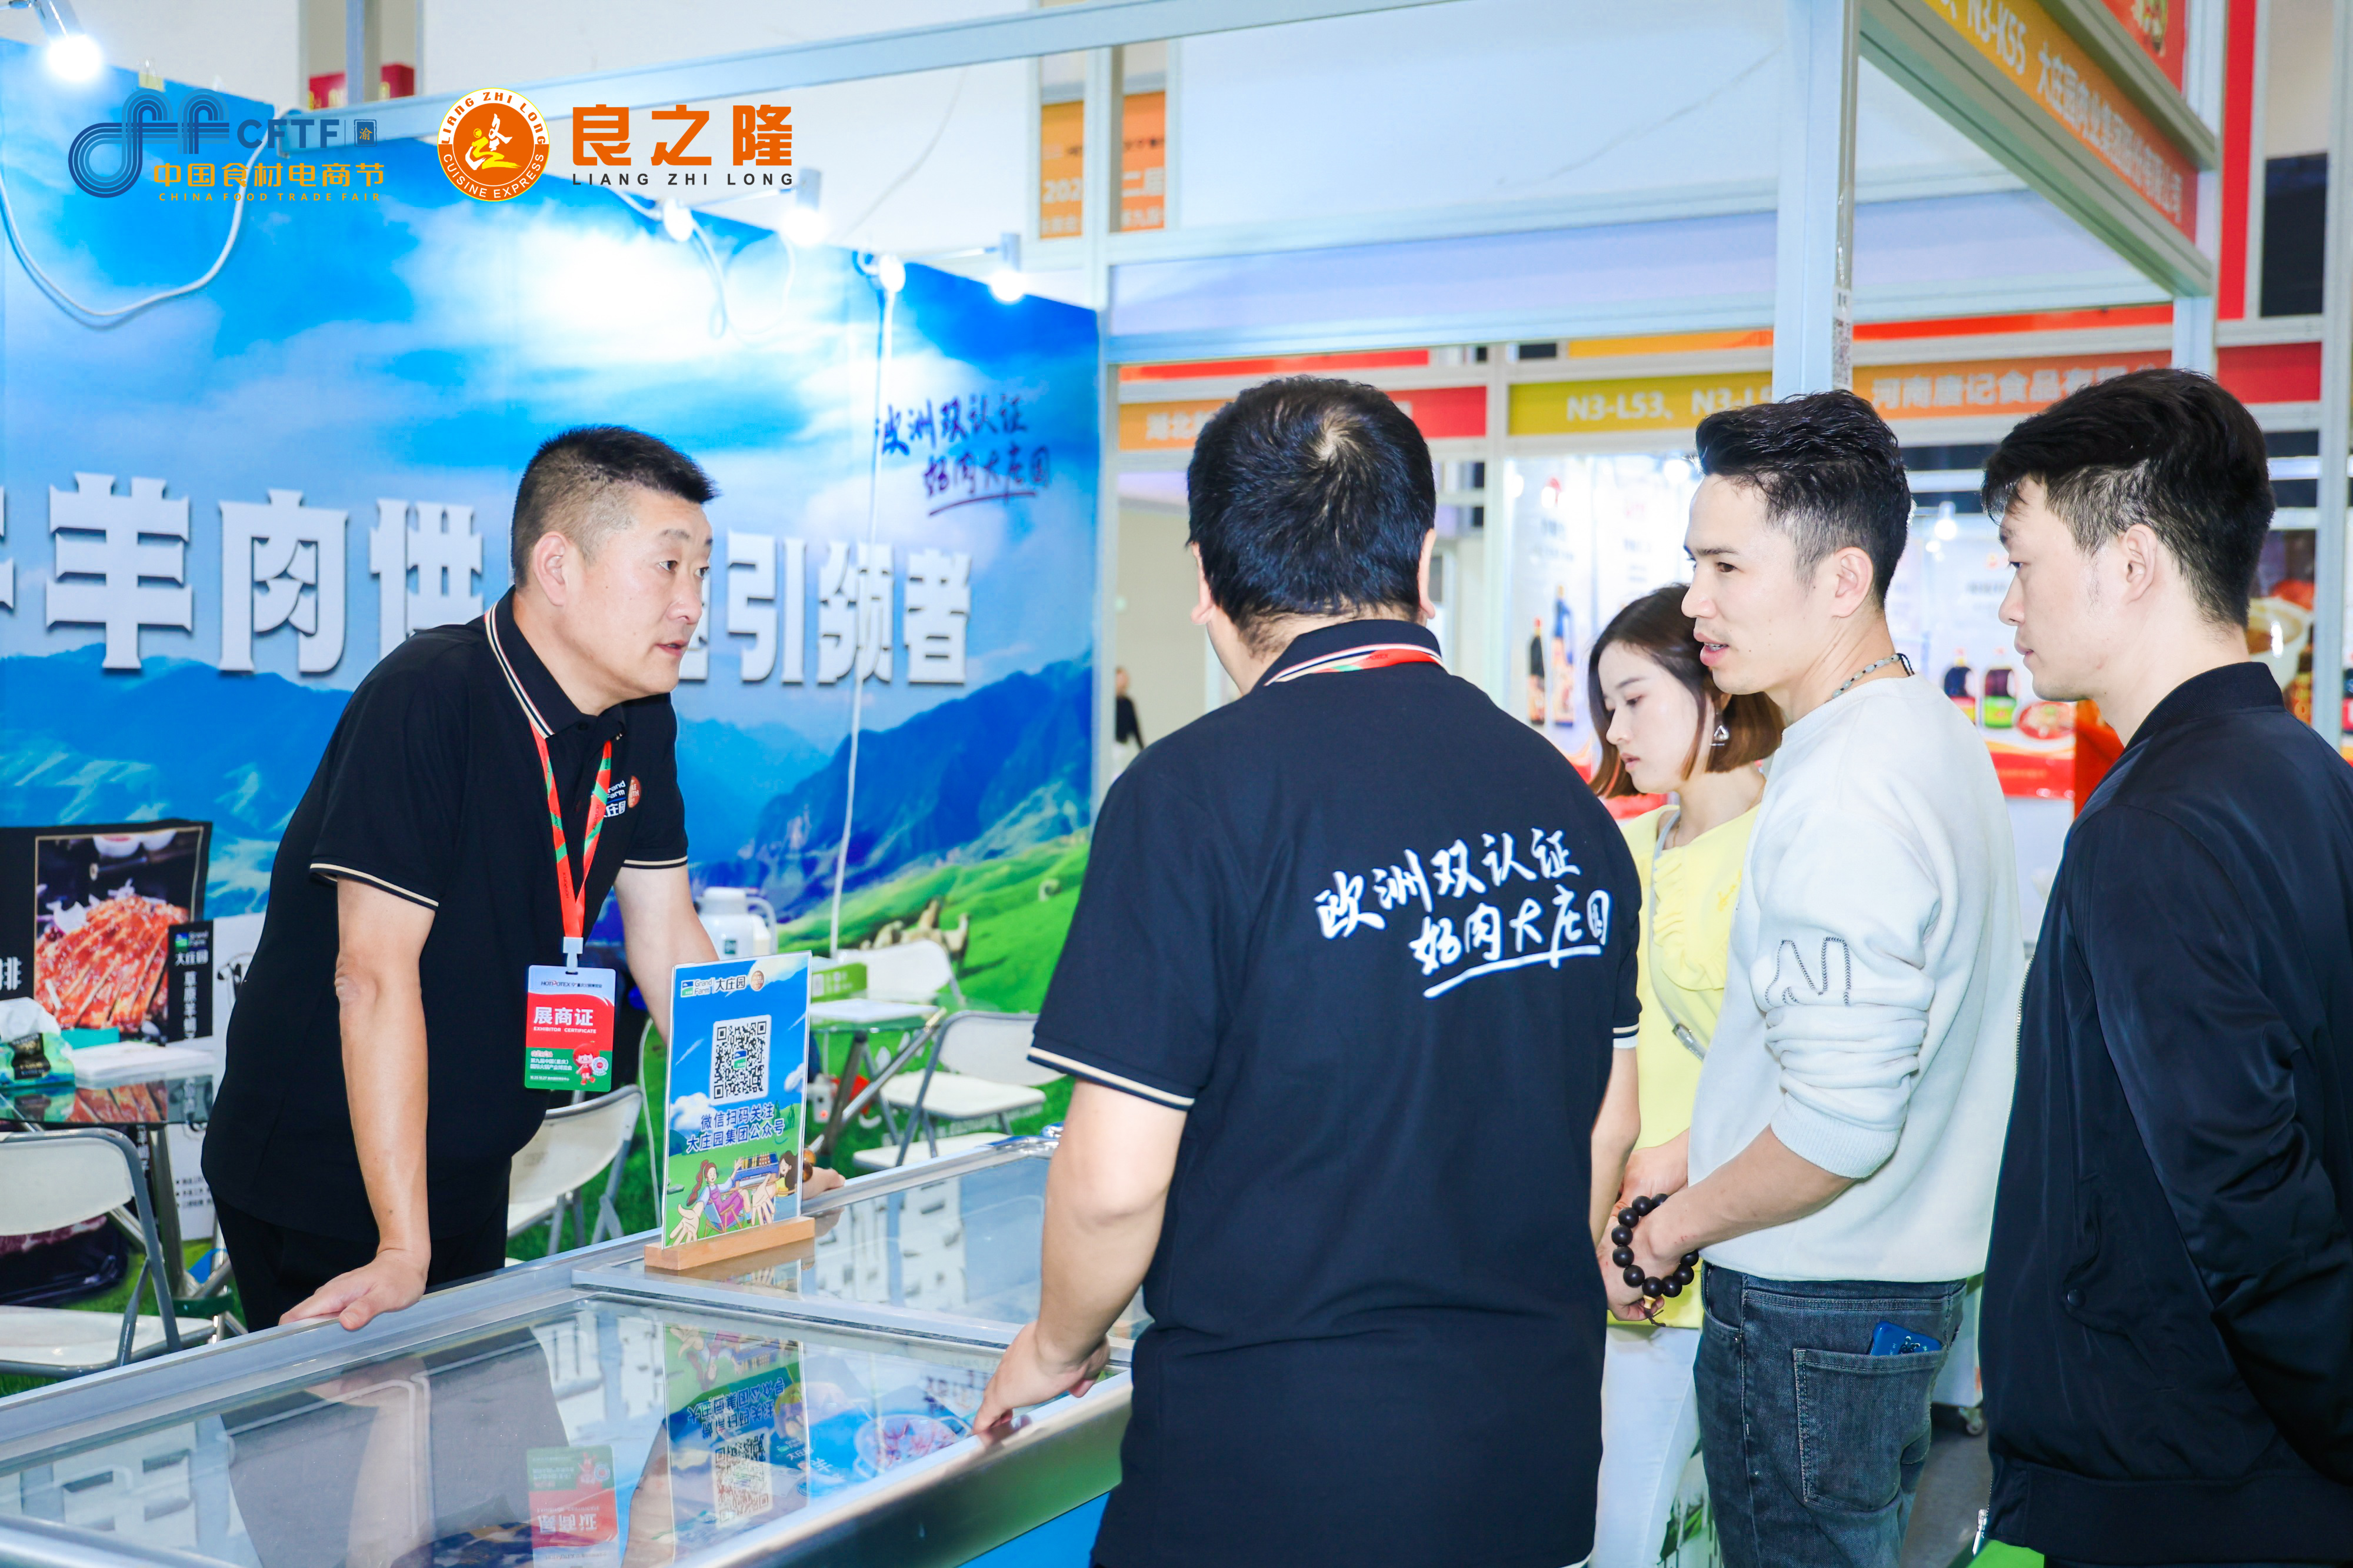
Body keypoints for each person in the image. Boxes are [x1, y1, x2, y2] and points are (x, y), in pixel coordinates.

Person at [974, 376, 1643, 1568]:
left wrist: (1053, 1345)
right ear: (1421, 565)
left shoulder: (1188, 798)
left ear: (1204, 580)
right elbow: (1609, 1124)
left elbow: (1115, 1183)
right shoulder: (1565, 801)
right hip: (1524, 1453)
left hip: (1275, 1473)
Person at [206, 426, 838, 1333]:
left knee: (485, 1419)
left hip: (469, 1163)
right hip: (326, 1173)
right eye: (668, 566)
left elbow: (671, 939)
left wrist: (756, 1156)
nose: (692, 604)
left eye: (703, 572)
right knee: (368, 1426)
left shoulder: (639, 719)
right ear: (558, 566)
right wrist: (401, 1245)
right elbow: (371, 974)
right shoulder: (429, 697)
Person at [1615, 391, 2021, 1567]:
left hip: (1811, 1306)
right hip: (1885, 1293)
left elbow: (1840, 1123)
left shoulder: (1847, 784)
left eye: (1724, 567)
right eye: (1693, 565)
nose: (1695, 602)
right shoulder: (1921, 733)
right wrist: (1689, 1151)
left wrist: (1668, 1231)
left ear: (1843, 579)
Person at [1978, 369, 2353, 1565]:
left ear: (2130, 561)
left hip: (2173, 1482)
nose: (2008, 604)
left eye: (2023, 561)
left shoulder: (2152, 821)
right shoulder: (2304, 771)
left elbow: (2243, 1196)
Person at [1584, 585, 1781, 1568]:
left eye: (1635, 700)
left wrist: (1666, 1178)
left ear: (1716, 691)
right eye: (1607, 708)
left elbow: (1806, 1057)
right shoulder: (1619, 844)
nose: (1616, 731)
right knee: (1621, 1526)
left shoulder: (1786, 844)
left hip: (1729, 1240)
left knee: (1652, 1529)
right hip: (1610, 1242)